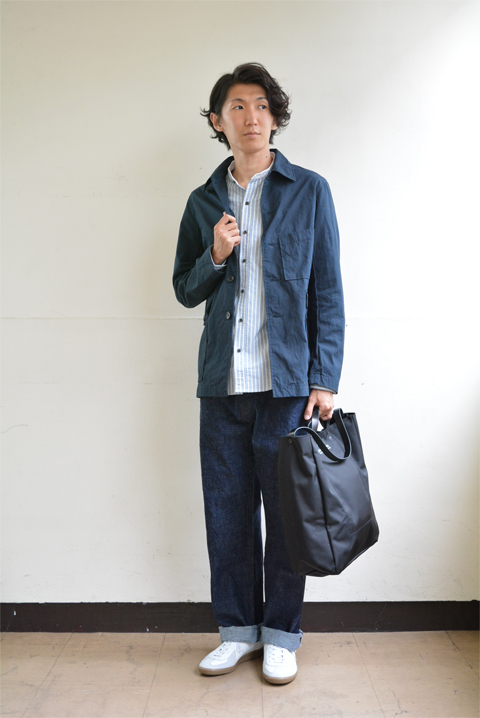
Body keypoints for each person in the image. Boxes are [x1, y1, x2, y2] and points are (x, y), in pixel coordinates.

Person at [172, 62, 345, 684]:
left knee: (289, 519)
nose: (251, 117)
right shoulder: (202, 202)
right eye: (238, 107)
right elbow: (184, 289)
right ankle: (237, 632)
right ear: (218, 121)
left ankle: (281, 634)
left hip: (287, 386)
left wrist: (324, 378)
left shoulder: (309, 190)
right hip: (222, 385)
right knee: (227, 515)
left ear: (276, 117)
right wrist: (216, 255)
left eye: (262, 106)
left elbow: (328, 292)